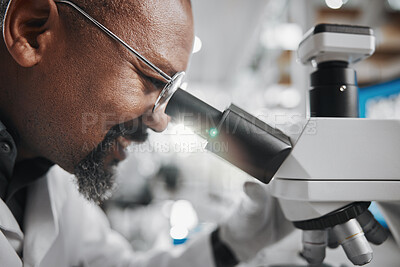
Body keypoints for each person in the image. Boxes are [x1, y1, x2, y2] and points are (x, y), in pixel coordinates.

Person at [0, 0, 294, 266]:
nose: (161, 122)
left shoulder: (49, 179)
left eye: (168, 93)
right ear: (31, 31)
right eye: (151, 79)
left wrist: (239, 238)